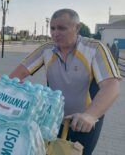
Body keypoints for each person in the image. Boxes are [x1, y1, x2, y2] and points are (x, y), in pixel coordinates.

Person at [9, 9, 121, 155]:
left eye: (62, 28)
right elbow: (14, 78)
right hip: (52, 119)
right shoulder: (46, 50)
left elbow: (111, 86)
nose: (55, 33)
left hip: (84, 121)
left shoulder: (94, 48)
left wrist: (90, 116)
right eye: (52, 28)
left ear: (77, 28)